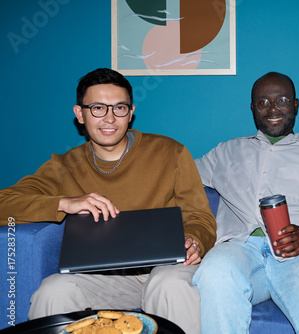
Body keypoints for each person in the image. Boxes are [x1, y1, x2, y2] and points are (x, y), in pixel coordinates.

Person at [0, 68, 216, 334]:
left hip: (166, 269)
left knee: (169, 285)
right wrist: (63, 203)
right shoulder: (64, 165)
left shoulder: (170, 152)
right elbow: (4, 202)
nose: (110, 118)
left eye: (119, 108)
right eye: (98, 108)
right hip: (103, 278)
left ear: (131, 112)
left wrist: (195, 239)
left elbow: (199, 215)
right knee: (53, 291)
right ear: (80, 114)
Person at [193, 71, 299, 333]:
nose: (272, 108)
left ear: (295, 105)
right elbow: (177, 175)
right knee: (215, 271)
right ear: (253, 109)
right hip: (239, 249)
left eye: (282, 100)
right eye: (263, 102)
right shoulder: (226, 152)